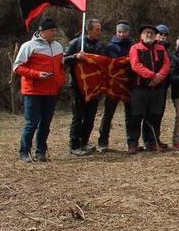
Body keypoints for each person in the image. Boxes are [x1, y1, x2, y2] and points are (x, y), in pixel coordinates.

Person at [13, 18, 66, 162]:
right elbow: (17, 67)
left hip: (51, 91)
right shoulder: (29, 46)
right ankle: (24, 152)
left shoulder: (58, 46)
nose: (55, 33)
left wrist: (60, 80)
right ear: (42, 31)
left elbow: (61, 66)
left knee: (46, 123)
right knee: (32, 123)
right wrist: (37, 74)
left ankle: (41, 151)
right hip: (33, 90)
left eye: (55, 30)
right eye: (52, 30)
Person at [62, 18, 105, 155]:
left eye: (100, 29)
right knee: (78, 115)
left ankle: (84, 142)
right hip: (77, 85)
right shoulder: (76, 43)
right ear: (89, 30)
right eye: (97, 29)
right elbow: (63, 61)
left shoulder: (100, 45)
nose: (100, 32)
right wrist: (76, 57)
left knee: (90, 116)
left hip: (94, 86)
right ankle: (74, 145)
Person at [127, 25, 171, 154]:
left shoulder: (161, 49)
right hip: (140, 88)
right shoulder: (135, 48)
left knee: (154, 116)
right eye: (146, 33)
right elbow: (135, 65)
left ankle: (152, 142)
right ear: (141, 35)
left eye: (152, 33)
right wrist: (152, 75)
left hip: (157, 88)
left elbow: (166, 64)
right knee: (136, 116)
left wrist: (159, 77)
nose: (149, 35)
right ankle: (133, 144)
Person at [97, 21, 133, 152]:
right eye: (119, 32)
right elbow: (104, 64)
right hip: (112, 85)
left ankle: (131, 143)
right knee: (108, 114)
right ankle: (102, 142)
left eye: (124, 32)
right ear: (116, 32)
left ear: (128, 32)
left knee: (130, 115)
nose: (122, 34)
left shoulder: (133, 46)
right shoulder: (109, 47)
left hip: (128, 84)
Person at [143, 24, 171, 150]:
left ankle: (155, 139)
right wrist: (154, 77)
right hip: (148, 85)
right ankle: (148, 141)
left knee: (158, 114)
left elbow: (168, 65)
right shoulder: (147, 48)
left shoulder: (166, 50)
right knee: (148, 114)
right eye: (160, 34)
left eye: (165, 35)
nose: (163, 37)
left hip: (162, 87)